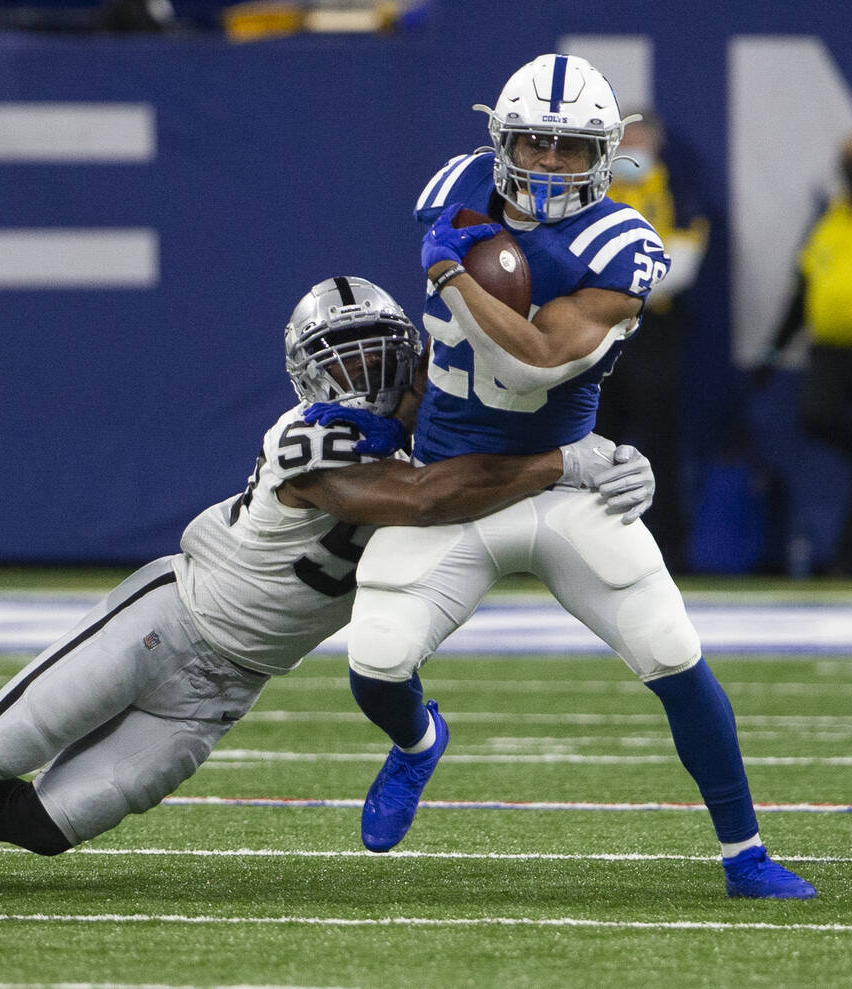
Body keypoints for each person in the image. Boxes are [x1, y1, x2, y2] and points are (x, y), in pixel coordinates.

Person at [0, 275, 655, 891]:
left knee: (42, 828)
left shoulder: (451, 434)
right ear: (306, 376)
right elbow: (425, 497)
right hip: (172, 618)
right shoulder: (317, 438)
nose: (354, 373)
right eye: (334, 358)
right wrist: (559, 465)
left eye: (368, 352)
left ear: (405, 353)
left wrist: (604, 461)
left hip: (227, 686)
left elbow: (510, 467)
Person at [344, 54, 815, 898]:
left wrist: (451, 273)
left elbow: (537, 366)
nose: (550, 161)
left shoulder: (623, 242)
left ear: (607, 153)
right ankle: (419, 741)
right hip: (452, 487)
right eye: (534, 141)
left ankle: (745, 851)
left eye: (571, 147)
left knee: (674, 651)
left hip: (566, 483)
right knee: (374, 658)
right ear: (501, 139)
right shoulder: (454, 186)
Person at [593, 110, 710, 572]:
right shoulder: (596, 189)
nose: (629, 147)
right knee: (594, 435)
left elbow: (682, 263)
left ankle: (668, 550)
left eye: (637, 137)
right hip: (595, 328)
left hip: (650, 327)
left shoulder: (677, 189)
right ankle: (587, 548)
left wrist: (617, 291)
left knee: (658, 440)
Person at [753, 134, 852, 576]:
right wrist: (775, 350)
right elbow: (802, 293)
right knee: (816, 416)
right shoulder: (830, 219)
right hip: (830, 351)